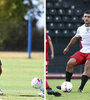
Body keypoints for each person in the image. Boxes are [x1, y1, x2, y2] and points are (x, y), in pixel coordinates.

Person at [57, 10, 90, 92]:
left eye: (88, 17)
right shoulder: (80, 28)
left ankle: (81, 88)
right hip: (83, 51)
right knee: (69, 63)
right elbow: (75, 38)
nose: (87, 18)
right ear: (83, 17)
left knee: (87, 66)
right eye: (85, 16)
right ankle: (67, 85)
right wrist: (67, 47)